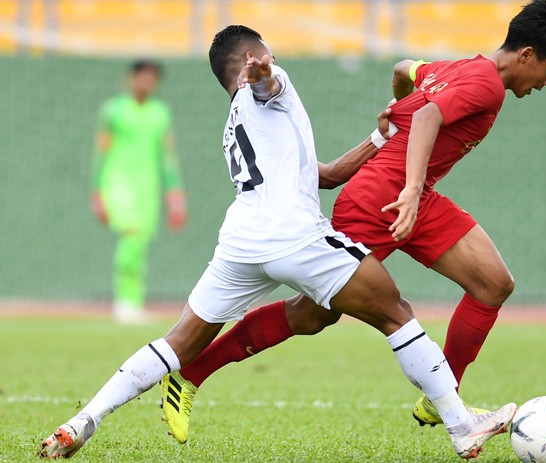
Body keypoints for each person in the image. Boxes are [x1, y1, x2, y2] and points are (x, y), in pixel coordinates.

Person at [39, 25, 515, 460]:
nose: (272, 61)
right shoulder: (267, 83)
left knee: (178, 341)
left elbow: (323, 176)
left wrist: (378, 136)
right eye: (266, 55)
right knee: (396, 313)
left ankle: (85, 419)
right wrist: (265, 75)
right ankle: (460, 424)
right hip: (294, 236)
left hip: (240, 244)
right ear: (253, 55)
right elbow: (269, 84)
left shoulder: (235, 123)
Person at [160, 0, 546, 443]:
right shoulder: (487, 85)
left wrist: (401, 119)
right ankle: (191, 373)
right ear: (527, 55)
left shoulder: (454, 68)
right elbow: (428, 114)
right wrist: (411, 187)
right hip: (379, 200)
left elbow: (405, 69)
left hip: (410, 196)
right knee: (314, 315)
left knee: (494, 283)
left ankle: (444, 395)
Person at [92, 59, 187, 324]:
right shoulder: (113, 110)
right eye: (142, 77)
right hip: (118, 182)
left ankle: (132, 302)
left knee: (140, 242)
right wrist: (97, 191)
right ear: (131, 78)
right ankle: (125, 302)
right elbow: (100, 152)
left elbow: (168, 157)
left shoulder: (160, 113)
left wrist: (175, 195)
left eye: (152, 78)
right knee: (132, 236)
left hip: (148, 186)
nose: (147, 82)